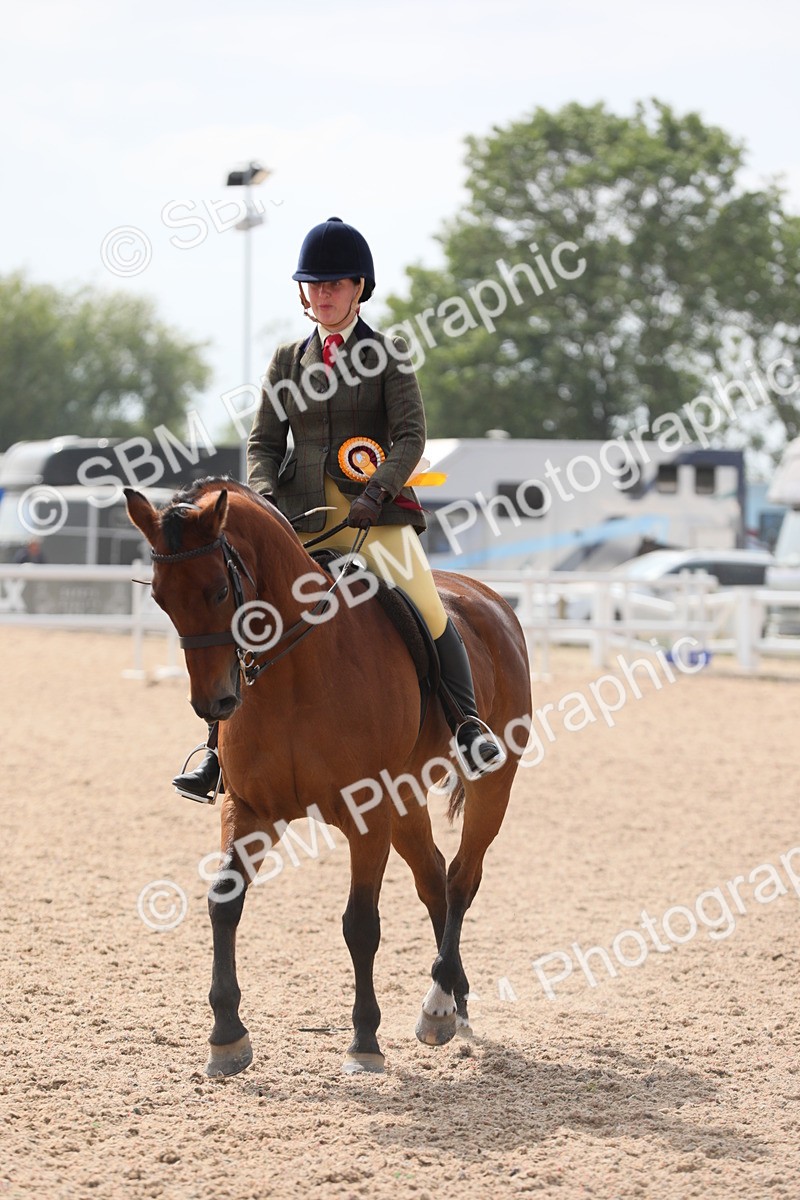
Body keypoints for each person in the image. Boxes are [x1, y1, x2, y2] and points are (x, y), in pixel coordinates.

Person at [173, 216, 502, 802]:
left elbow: (410, 437)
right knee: (243, 615)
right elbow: (263, 443)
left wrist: (377, 492)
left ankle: (467, 724)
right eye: (314, 285)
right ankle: (216, 752)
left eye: (335, 284)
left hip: (374, 515)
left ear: (358, 288)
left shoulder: (388, 355)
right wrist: (264, 500)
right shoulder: (286, 360)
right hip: (297, 520)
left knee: (428, 607)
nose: (323, 294)